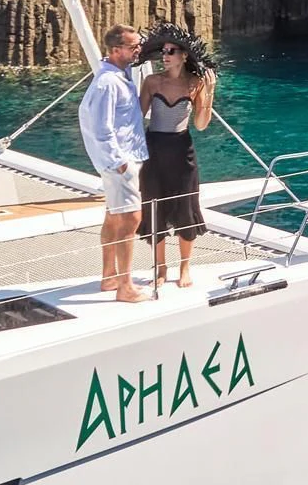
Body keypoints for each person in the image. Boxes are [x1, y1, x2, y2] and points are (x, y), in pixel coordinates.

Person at [138, 24, 215, 287]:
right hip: (154, 150)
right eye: (163, 51)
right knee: (154, 207)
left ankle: (185, 268)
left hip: (182, 151)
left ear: (184, 56)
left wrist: (210, 94)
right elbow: (137, 118)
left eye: (171, 51)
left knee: (185, 208)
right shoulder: (152, 82)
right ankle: (160, 269)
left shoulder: (195, 84)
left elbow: (202, 124)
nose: (165, 54)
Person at [77, 23, 150, 303]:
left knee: (113, 216)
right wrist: (120, 163)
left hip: (124, 159)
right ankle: (125, 286)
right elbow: (100, 127)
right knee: (131, 219)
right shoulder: (107, 83)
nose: (138, 51)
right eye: (133, 47)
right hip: (121, 162)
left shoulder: (120, 74)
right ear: (116, 50)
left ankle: (109, 276)